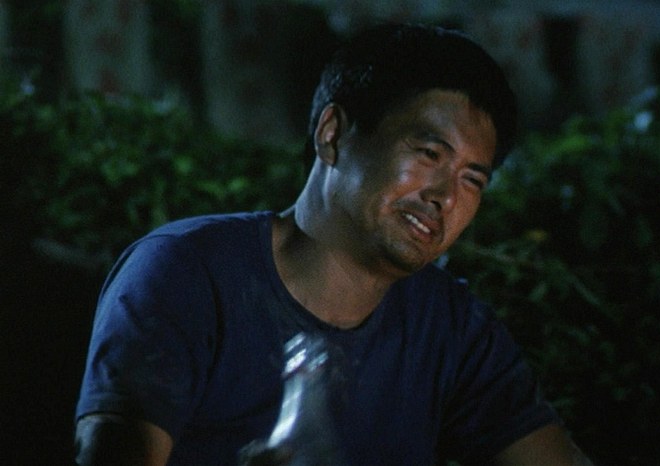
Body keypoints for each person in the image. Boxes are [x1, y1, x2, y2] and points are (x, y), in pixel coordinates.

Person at [74, 23, 593, 465]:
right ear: (333, 134)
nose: (445, 196)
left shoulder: (450, 329)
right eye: (429, 153)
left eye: (472, 179)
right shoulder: (187, 271)